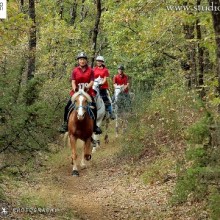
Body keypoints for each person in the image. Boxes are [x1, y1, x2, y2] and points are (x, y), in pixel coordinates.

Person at [59, 52, 102, 134]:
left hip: (87, 92)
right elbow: (73, 81)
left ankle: (95, 126)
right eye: (80, 59)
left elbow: (92, 82)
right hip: (77, 92)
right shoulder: (75, 70)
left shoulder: (91, 70)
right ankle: (65, 124)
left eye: (84, 59)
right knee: (67, 106)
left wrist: (87, 87)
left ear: (86, 61)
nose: (82, 61)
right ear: (78, 61)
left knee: (94, 106)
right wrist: (74, 88)